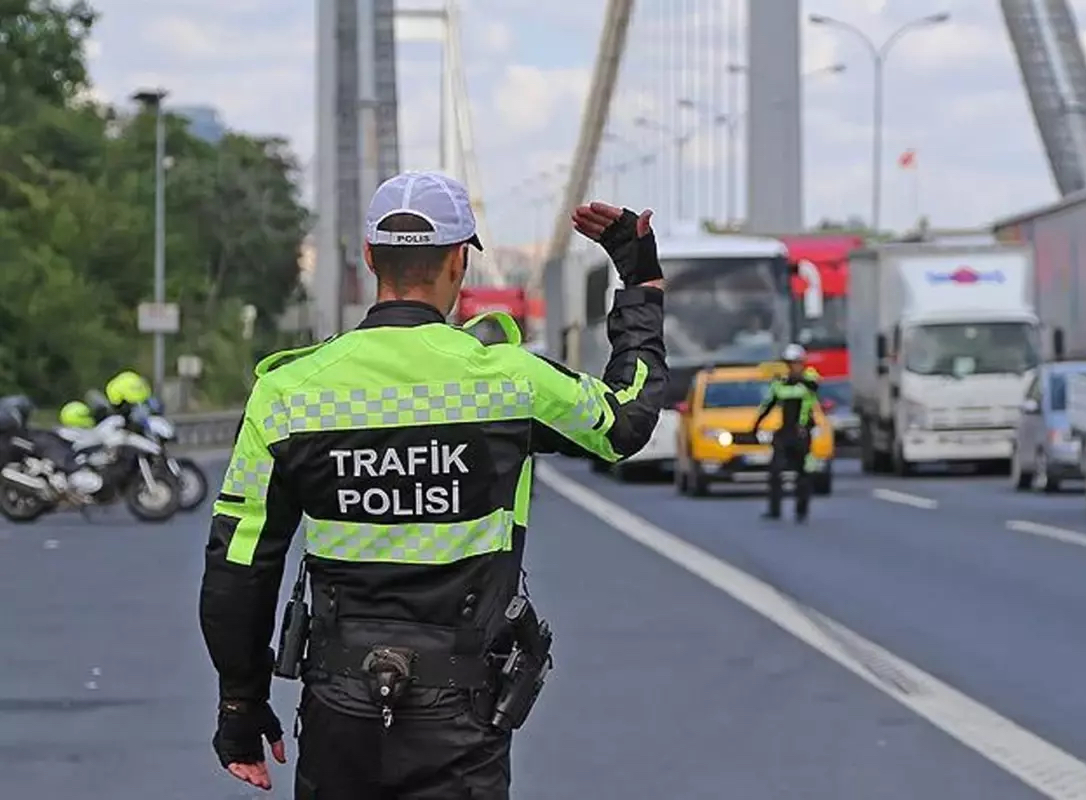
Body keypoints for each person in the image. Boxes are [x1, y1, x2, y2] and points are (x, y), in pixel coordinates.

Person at [199, 170, 668, 798]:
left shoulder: (288, 393)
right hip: (463, 712)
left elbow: (238, 566)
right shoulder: (508, 381)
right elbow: (625, 421)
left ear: (370, 258)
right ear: (458, 262)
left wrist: (241, 707)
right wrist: (639, 283)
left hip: (339, 709)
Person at [751, 344, 820, 522]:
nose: (793, 367)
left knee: (803, 473)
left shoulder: (809, 379)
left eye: (796, 363)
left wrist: (797, 379)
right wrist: (756, 425)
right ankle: (774, 510)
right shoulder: (779, 384)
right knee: (775, 471)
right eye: (790, 363)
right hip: (785, 432)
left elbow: (813, 386)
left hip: (802, 433)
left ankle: (801, 510)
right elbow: (768, 405)